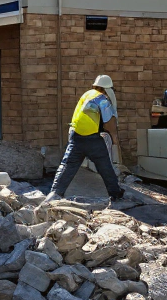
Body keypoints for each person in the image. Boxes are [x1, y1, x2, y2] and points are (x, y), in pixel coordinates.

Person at [43, 75, 123, 204]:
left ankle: (55, 194)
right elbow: (109, 123)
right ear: (108, 89)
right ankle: (116, 194)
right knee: (105, 167)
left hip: (76, 137)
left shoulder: (87, 94)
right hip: (92, 139)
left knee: (67, 166)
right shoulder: (102, 99)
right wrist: (114, 138)